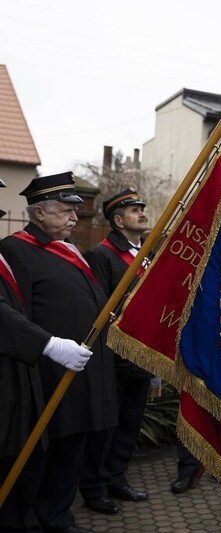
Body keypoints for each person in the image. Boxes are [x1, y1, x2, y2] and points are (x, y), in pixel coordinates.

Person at [0, 172, 117, 532]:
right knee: (45, 453)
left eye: (74, 211)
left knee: (73, 449)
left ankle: (57, 516)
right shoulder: (16, 249)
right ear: (38, 214)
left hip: (81, 367)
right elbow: (18, 309)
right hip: (46, 371)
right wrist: (45, 348)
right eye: (65, 210)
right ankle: (35, 518)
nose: (74, 217)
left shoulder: (68, 249)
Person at [79, 188, 150, 512]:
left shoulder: (145, 254)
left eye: (142, 208)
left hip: (140, 355)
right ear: (118, 219)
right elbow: (100, 308)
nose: (143, 212)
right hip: (113, 357)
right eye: (135, 209)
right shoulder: (102, 254)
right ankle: (94, 488)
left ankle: (116, 478)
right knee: (105, 427)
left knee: (129, 423)